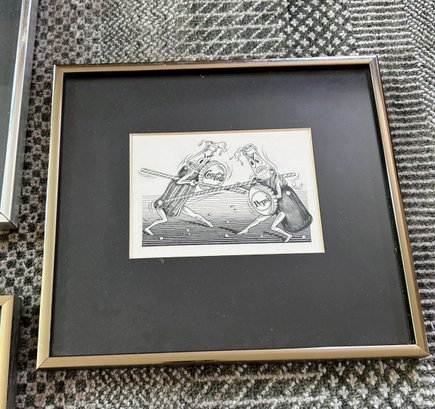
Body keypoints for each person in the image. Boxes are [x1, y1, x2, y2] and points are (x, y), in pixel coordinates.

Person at [232, 143, 312, 242]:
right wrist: (240, 185)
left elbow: (279, 195)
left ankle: (288, 235)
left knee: (273, 227)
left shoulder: (277, 179)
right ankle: (246, 229)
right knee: (259, 219)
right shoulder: (260, 181)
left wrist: (271, 196)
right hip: (274, 205)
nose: (256, 166)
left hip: (284, 206)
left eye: (257, 161)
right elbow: (255, 190)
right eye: (252, 163)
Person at [144, 140, 227, 235]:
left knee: (193, 215)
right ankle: (147, 228)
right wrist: (190, 181)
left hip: (180, 196)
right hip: (181, 189)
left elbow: (183, 179)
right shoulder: (190, 172)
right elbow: (179, 181)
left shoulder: (175, 204)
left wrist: (192, 181)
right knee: (167, 219)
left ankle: (207, 223)